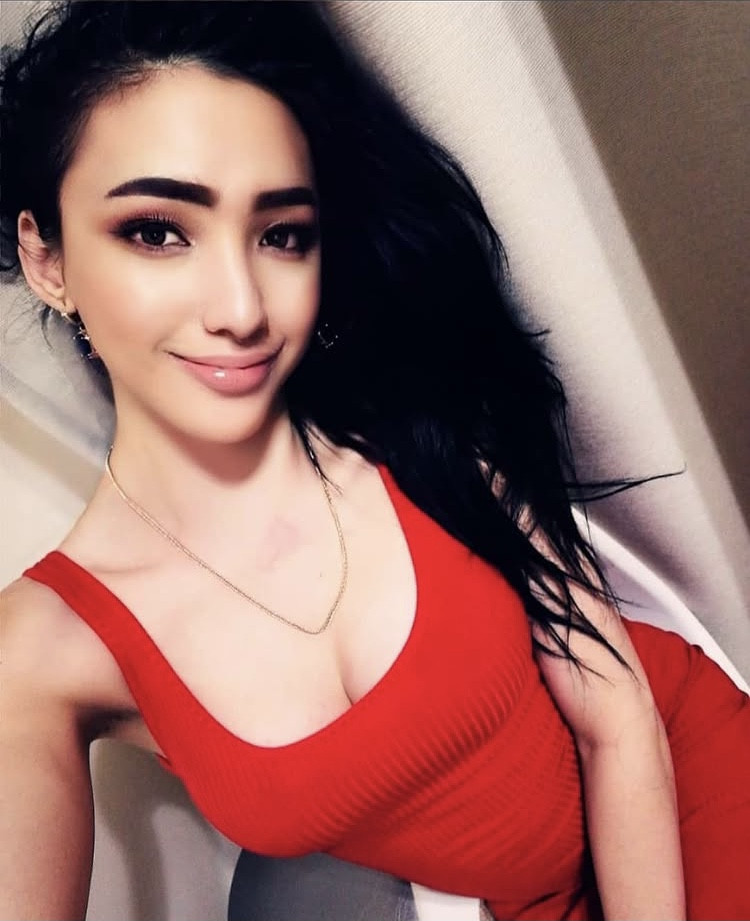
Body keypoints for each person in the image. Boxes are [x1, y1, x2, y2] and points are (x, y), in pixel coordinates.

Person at [0, 3, 748, 920]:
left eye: (282, 234)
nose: (241, 307)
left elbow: (619, 720)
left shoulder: (397, 420)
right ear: (47, 259)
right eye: (158, 230)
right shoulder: (45, 649)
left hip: (687, 788)